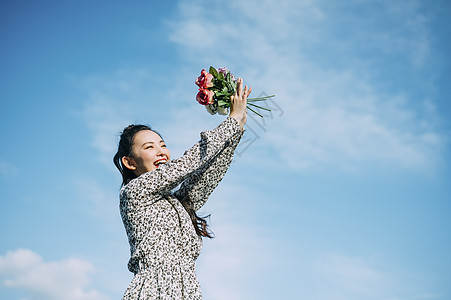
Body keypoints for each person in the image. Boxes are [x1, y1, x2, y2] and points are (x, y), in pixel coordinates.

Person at [113, 78, 252, 299]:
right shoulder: (134, 193)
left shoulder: (178, 203)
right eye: (150, 147)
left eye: (163, 145)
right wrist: (231, 123)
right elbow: (187, 164)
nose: (161, 152)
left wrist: (236, 130)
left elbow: (207, 175)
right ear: (130, 163)